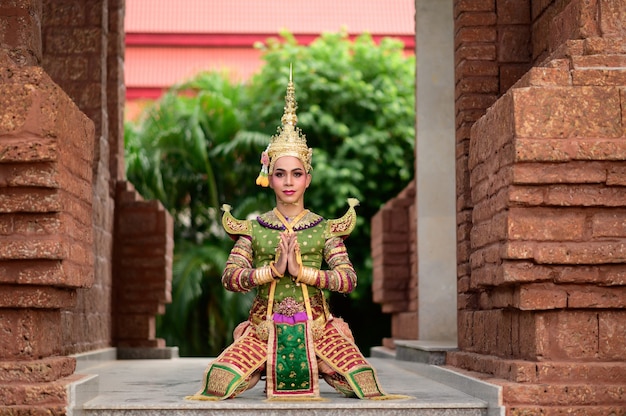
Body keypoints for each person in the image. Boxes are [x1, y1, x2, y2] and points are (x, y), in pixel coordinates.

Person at [186, 69, 404, 401]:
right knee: (218, 382)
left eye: (297, 174)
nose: (289, 182)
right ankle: (264, 366)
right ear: (269, 178)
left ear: (308, 179)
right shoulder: (254, 228)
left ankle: (319, 361)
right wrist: (271, 272)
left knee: (364, 384)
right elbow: (230, 277)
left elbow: (348, 279)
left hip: (318, 330)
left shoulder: (325, 229)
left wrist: (303, 273)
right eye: (280, 174)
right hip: (264, 331)